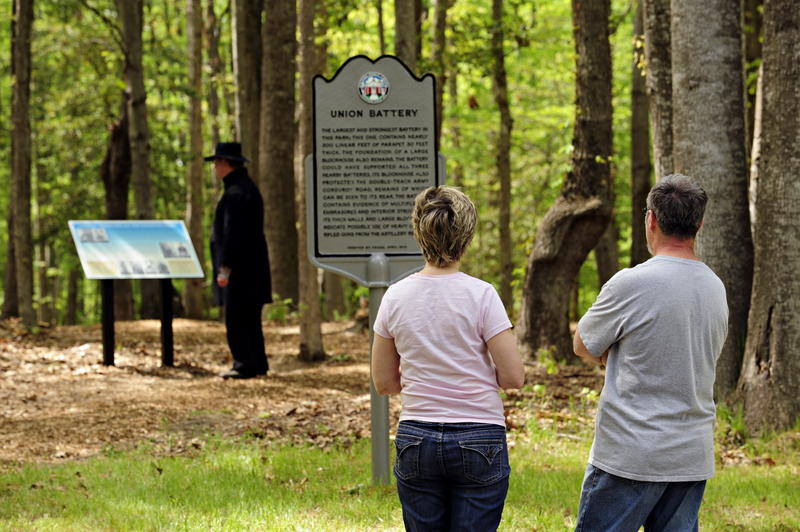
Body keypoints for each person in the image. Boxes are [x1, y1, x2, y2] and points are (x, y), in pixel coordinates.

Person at [572, 174, 729, 531]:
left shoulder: (631, 283)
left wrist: (614, 352)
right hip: (690, 453)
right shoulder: (714, 287)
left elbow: (582, 344)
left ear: (651, 220)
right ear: (700, 223)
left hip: (630, 452)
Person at [371, 185, 525, 531]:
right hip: (479, 436)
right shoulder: (482, 295)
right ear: (466, 236)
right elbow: (514, 377)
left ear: (419, 232)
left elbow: (384, 383)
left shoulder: (394, 297)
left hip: (416, 437)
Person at [206, 142, 272, 379]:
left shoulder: (236, 193)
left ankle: (244, 363)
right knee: (250, 318)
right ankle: (257, 362)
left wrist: (225, 268)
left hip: (241, 272)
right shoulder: (246, 189)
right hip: (252, 270)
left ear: (224, 163)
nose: (215, 168)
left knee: (238, 317)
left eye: (216, 163)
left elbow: (232, 234)